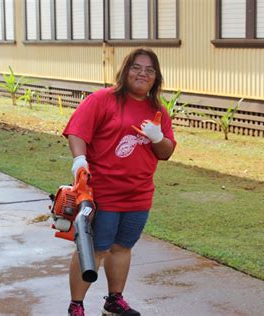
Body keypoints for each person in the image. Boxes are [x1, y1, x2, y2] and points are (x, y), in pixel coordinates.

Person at [62, 47, 177, 316]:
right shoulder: (103, 100)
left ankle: (114, 301)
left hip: (139, 194)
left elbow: (167, 152)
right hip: (103, 192)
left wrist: (158, 137)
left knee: (123, 247)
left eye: (150, 70)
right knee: (95, 249)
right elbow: (77, 131)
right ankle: (76, 306)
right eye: (136, 67)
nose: (142, 74)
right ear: (125, 71)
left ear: (156, 77)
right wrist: (80, 160)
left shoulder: (157, 110)